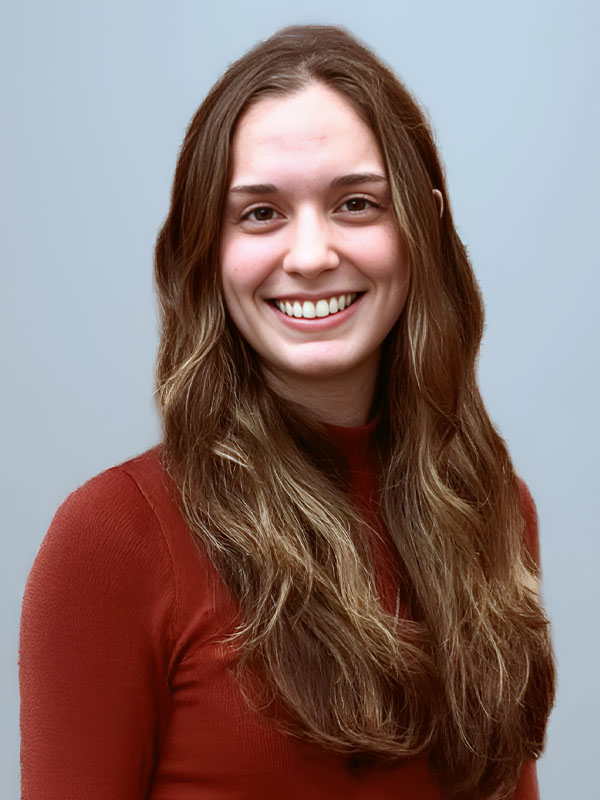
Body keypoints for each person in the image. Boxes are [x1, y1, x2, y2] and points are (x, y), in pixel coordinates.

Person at [19, 24, 555, 800]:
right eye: (261, 213)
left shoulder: (494, 511)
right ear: (208, 248)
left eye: (357, 204)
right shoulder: (113, 541)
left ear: (424, 226)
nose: (310, 255)